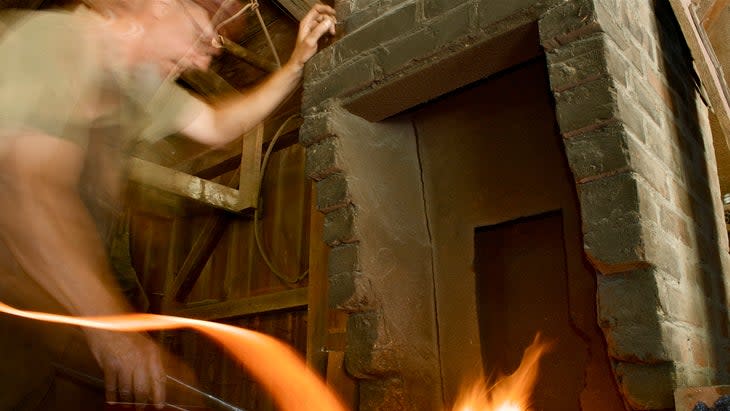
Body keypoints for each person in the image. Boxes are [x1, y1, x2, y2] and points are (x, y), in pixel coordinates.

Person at [0, 0, 336, 408]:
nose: (214, 42)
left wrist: (295, 65)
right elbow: (32, 193)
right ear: (157, 5)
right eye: (201, 21)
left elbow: (216, 125)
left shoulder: (135, 84)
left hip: (55, 309)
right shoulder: (54, 42)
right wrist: (111, 330)